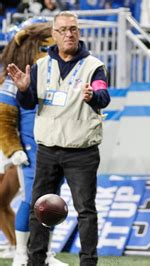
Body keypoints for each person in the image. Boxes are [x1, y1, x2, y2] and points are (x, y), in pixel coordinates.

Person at [7, 11, 110, 265]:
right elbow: (30, 102)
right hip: (47, 150)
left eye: (73, 29)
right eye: (63, 29)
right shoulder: (41, 66)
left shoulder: (94, 67)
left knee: (85, 211)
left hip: (81, 152)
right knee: (38, 208)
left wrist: (92, 97)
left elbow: (104, 96)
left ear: (79, 32)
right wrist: (22, 91)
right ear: (53, 34)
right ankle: (36, 260)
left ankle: (88, 261)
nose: (69, 34)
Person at [1, 20, 69, 266]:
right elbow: (4, 118)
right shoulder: (13, 78)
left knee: (51, 204)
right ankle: (20, 252)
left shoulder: (57, 77)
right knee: (32, 200)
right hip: (30, 149)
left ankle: (44, 254)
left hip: (57, 148)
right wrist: (13, 148)